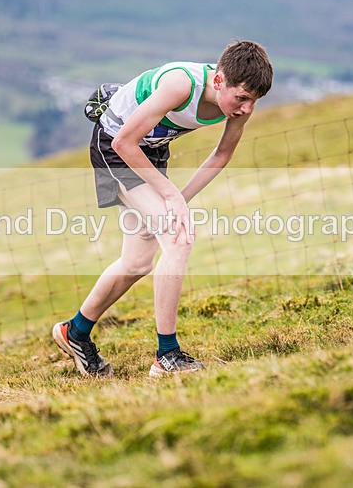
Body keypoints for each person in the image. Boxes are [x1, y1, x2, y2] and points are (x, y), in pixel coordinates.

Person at [52, 40, 273, 377]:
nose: (245, 109)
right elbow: (122, 142)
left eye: (253, 101)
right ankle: (167, 356)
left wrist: (177, 199)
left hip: (150, 155)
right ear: (218, 80)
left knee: (137, 262)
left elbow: (221, 156)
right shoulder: (180, 85)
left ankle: (75, 332)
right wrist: (169, 200)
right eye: (241, 98)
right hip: (116, 147)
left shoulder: (241, 103)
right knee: (179, 237)